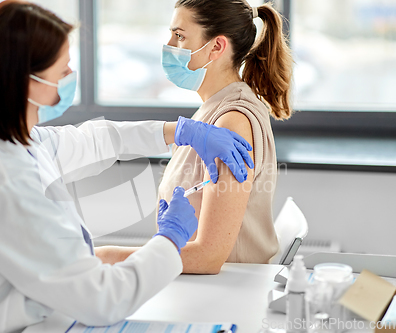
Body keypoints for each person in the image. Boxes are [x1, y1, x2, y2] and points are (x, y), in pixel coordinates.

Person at [0, 1, 254, 332]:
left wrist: (179, 131)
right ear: (28, 81)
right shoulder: (2, 182)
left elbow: (98, 139)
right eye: (62, 70)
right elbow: (101, 300)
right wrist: (169, 239)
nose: (70, 77)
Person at [95, 0, 293, 273]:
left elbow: (208, 257)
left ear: (216, 47)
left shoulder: (232, 121)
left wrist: (103, 257)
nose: (168, 44)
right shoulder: (212, 108)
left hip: (224, 292)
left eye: (179, 35)